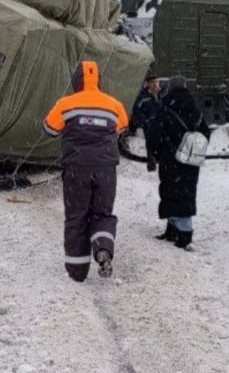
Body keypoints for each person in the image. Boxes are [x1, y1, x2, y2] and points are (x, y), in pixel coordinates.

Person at [44, 60, 129, 282]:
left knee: (76, 216)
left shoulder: (66, 104)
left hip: (76, 171)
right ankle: (103, 250)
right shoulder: (114, 104)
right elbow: (122, 127)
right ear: (98, 80)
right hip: (106, 170)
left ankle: (77, 270)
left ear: (76, 80)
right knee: (102, 214)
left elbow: (49, 129)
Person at [145, 76, 210, 249]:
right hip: (190, 160)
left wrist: (156, 153)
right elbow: (205, 133)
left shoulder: (166, 108)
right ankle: (181, 230)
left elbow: (155, 133)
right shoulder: (195, 109)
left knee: (169, 190)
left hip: (169, 158)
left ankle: (178, 231)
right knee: (186, 192)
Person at [131, 74, 161, 170]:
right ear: (148, 84)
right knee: (151, 143)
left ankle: (163, 162)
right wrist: (145, 121)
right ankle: (151, 164)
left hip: (162, 123)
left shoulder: (163, 94)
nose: (155, 84)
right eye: (152, 82)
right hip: (150, 124)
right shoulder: (143, 96)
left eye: (156, 82)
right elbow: (137, 110)